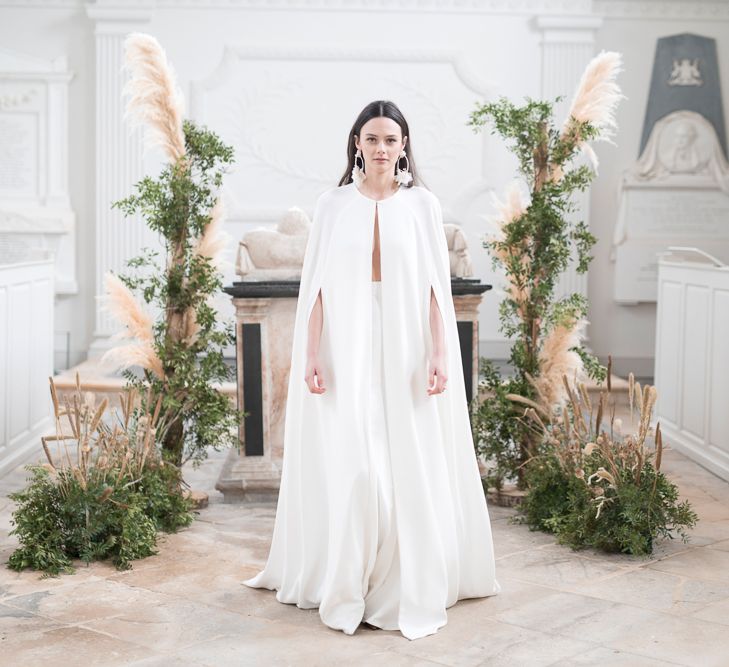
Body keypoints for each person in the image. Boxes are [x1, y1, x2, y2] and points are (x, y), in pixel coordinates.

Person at [243, 100, 500, 640]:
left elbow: (435, 288)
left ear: (404, 145)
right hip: (347, 346)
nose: (381, 148)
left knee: (408, 459)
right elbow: (313, 290)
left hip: (407, 345)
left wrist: (438, 353)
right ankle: (346, 574)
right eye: (372, 138)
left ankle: (404, 578)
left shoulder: (423, 206)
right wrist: (310, 355)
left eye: (391, 138)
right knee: (358, 467)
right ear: (356, 144)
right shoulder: (332, 206)